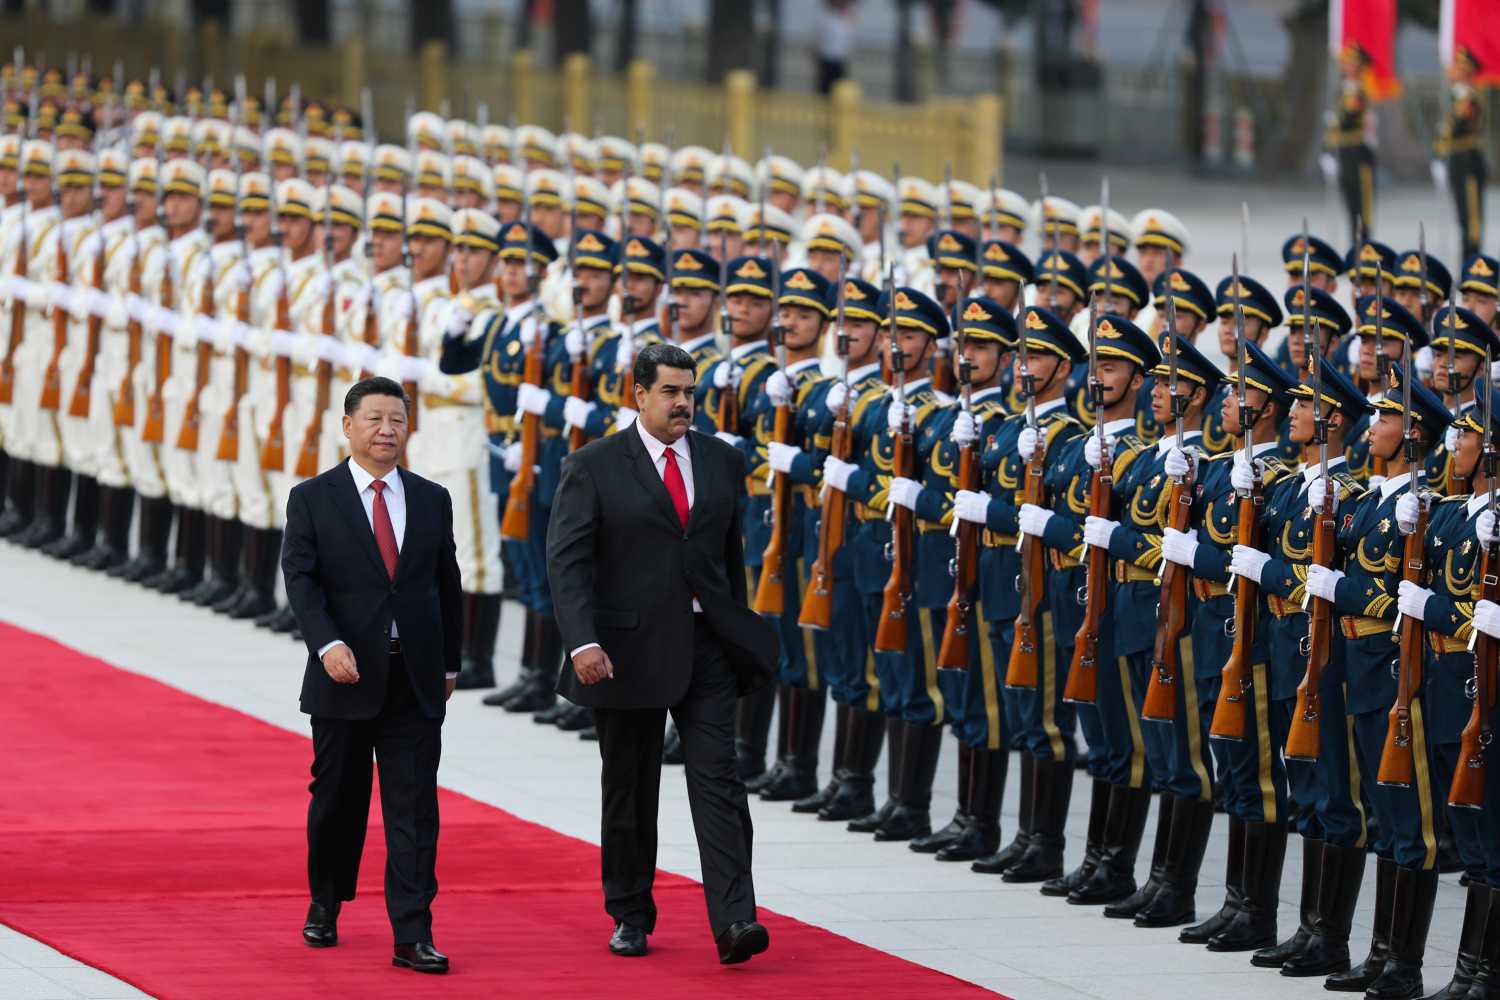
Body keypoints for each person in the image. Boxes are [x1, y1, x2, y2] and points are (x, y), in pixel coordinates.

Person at [546, 341, 779, 963]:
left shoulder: (723, 462)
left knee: (720, 782)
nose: (683, 404)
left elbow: (728, 559)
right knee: (629, 785)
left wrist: (733, 626)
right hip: (623, 650)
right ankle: (629, 912)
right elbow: (566, 563)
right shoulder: (593, 465)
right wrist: (583, 641)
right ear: (639, 394)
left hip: (706, 646)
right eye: (671, 392)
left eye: (690, 392)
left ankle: (735, 922)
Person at [281, 376, 463, 974]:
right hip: (345, 674)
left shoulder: (432, 498)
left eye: (397, 420)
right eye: (375, 420)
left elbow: (446, 586)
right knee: (338, 799)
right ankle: (326, 900)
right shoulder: (313, 497)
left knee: (413, 807)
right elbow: (301, 580)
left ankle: (413, 933)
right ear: (348, 426)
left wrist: (451, 663)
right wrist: (326, 643)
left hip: (412, 677)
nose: (387, 431)